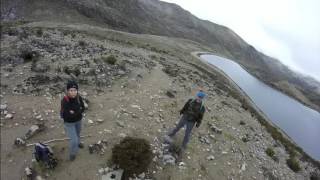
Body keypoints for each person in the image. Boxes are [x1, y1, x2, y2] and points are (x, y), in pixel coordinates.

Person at [60, 80, 85, 161]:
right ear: (68, 91)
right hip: (69, 123)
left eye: (75, 90)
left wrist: (74, 112)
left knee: (78, 134)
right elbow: (67, 115)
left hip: (78, 120)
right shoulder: (65, 100)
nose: (73, 92)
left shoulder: (78, 97)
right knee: (73, 140)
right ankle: (72, 153)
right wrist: (77, 111)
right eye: (71, 90)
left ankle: (78, 143)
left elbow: (83, 108)